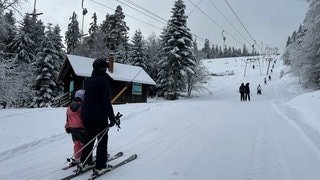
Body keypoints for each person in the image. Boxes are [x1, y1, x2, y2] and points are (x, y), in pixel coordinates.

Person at [80, 57, 117, 175]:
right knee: (102, 140)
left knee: (89, 138)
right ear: (102, 69)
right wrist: (112, 118)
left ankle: (86, 161)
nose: (106, 70)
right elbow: (106, 102)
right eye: (105, 68)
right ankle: (100, 166)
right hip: (99, 115)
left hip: (86, 114)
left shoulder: (87, 80)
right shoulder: (103, 81)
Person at [65, 89, 86, 166]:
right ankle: (85, 158)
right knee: (84, 144)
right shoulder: (82, 106)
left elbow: (67, 118)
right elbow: (85, 117)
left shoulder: (69, 107)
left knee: (77, 144)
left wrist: (67, 126)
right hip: (82, 129)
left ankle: (77, 158)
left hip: (72, 129)